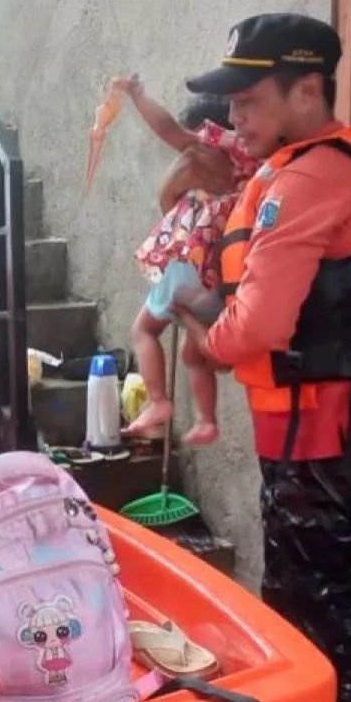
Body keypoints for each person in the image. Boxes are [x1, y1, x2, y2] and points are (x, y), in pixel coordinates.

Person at [174, 13, 351, 702]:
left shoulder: (313, 177)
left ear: (309, 91)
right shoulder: (314, 167)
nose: (233, 115)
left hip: (344, 445)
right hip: (337, 441)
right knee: (320, 620)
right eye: (230, 101)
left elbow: (258, 324)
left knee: (336, 639)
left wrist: (207, 333)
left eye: (248, 99)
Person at [105, 79, 260, 445]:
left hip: (189, 269)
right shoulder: (255, 161)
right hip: (224, 280)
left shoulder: (208, 149)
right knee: (194, 354)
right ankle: (207, 420)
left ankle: (158, 401)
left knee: (144, 330)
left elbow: (166, 128)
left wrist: (138, 95)